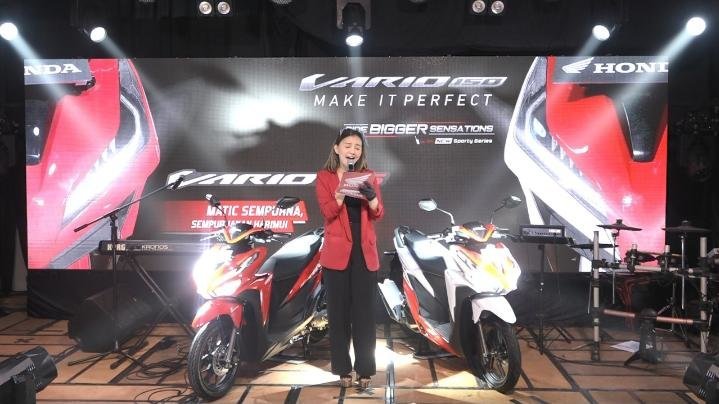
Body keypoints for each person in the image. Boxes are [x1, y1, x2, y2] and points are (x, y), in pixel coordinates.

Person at [315, 128, 384, 390]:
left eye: (357, 146)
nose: (352, 150)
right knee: (339, 314)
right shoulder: (324, 177)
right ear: (337, 149)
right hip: (337, 254)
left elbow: (378, 213)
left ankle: (365, 370)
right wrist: (342, 189)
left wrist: (372, 198)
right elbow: (328, 212)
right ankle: (342, 369)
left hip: (364, 253)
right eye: (348, 145)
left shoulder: (369, 176)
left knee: (364, 314)